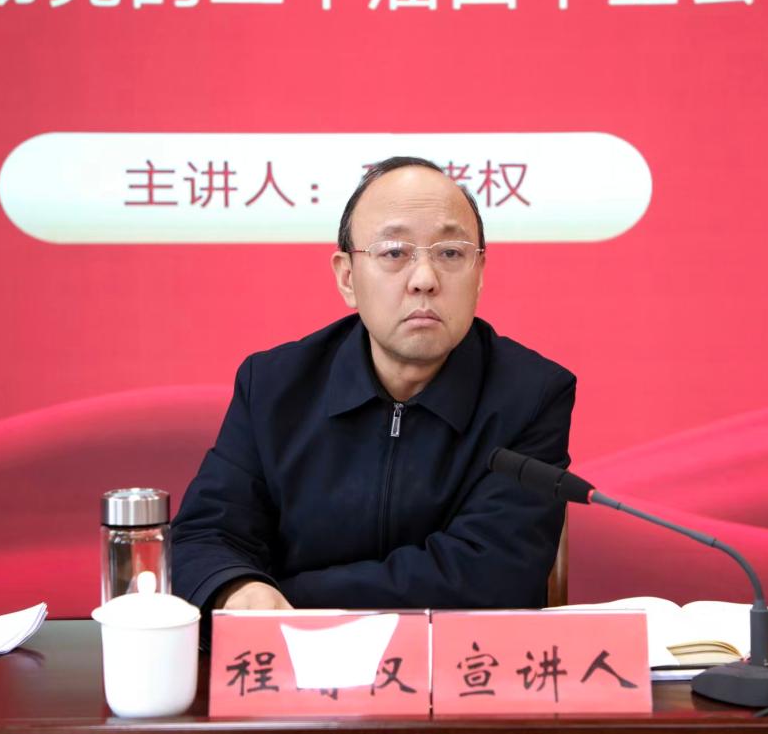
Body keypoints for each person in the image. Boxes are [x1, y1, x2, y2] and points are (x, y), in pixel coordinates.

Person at [171, 156, 576, 624]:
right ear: (347, 277)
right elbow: (205, 537)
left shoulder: (532, 395)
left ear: (480, 273)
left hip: (459, 664)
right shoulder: (273, 386)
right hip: (295, 661)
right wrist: (239, 588)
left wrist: (286, 596)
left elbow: (490, 576)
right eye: (394, 252)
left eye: (450, 253)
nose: (424, 280)